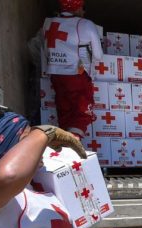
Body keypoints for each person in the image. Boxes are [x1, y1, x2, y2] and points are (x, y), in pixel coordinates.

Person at [42, 0, 103, 139]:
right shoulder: (85, 24)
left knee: (65, 111)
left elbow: (46, 52)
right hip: (76, 75)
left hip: (55, 75)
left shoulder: (48, 23)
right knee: (81, 114)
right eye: (83, 7)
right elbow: (98, 56)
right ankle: (71, 146)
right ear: (78, 7)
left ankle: (62, 145)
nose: (84, 11)